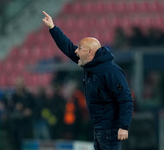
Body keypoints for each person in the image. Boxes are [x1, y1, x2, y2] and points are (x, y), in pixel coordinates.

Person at [42, 11, 134, 150]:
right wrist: (53, 28)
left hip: (110, 130)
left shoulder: (111, 71)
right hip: (99, 129)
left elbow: (126, 98)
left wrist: (123, 127)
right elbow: (68, 48)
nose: (76, 52)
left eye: (80, 48)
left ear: (90, 52)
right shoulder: (90, 65)